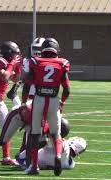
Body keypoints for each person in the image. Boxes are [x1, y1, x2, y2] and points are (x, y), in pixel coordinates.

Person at [23, 38, 71, 176]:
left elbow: (27, 85)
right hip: (54, 100)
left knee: (34, 134)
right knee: (56, 133)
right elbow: (67, 89)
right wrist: (62, 101)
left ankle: (34, 166)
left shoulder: (36, 62)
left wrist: (24, 102)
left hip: (38, 100)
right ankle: (57, 156)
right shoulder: (62, 63)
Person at [0, 102, 70, 168]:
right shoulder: (45, 120)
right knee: (3, 140)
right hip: (18, 116)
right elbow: (31, 138)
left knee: (43, 141)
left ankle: (22, 157)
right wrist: (30, 162)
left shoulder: (51, 118)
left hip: (30, 119)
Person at [17, 137, 87, 171]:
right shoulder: (70, 165)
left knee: (39, 136)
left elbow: (46, 139)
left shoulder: (63, 146)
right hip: (41, 165)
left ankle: (27, 156)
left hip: (24, 159)